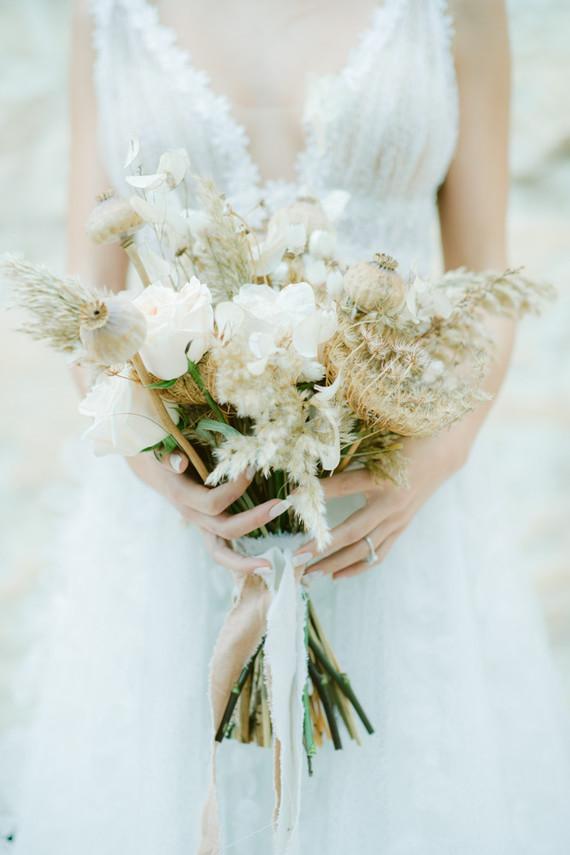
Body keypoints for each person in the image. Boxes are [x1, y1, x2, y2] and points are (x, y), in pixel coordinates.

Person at [6, 0, 570, 852]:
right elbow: (93, 288)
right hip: (186, 515)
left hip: (388, 514)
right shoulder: (107, 12)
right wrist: (151, 462)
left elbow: (486, 272)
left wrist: (434, 455)